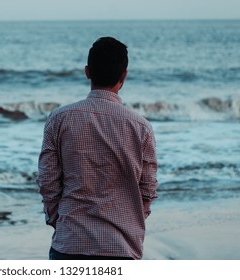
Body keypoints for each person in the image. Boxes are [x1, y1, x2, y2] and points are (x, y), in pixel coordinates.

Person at [37, 37, 158, 260]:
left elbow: (48, 181)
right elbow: (148, 189)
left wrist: (59, 221)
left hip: (70, 243)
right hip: (122, 247)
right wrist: (131, 221)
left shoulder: (59, 119)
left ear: (87, 72)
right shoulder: (141, 127)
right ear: (124, 76)